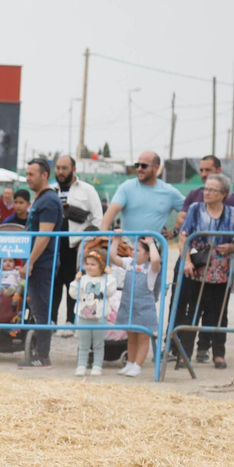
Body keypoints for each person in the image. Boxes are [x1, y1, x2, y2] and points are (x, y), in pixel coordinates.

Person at [172, 175, 234, 369]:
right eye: (206, 189)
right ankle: (184, 355)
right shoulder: (195, 210)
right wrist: (186, 261)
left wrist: (231, 246)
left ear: (224, 194)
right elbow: (184, 237)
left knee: (219, 313)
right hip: (197, 268)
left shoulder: (233, 214)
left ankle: (218, 353)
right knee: (191, 312)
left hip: (221, 271)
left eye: (212, 190)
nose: (207, 193)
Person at [18, 158, 63, 369]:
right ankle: (39, 352)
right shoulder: (42, 199)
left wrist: (31, 262)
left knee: (42, 309)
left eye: (31, 174)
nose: (28, 178)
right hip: (39, 261)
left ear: (44, 175)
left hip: (43, 262)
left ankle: (43, 356)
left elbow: (44, 236)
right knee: (38, 307)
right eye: (26, 174)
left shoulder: (49, 201)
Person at [53, 153, 103, 327]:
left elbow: (98, 220)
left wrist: (87, 242)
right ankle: (51, 321)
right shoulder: (51, 191)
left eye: (64, 168)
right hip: (54, 246)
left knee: (75, 283)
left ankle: (70, 322)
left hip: (77, 247)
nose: (60, 171)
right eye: (58, 168)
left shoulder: (87, 190)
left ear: (73, 169)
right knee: (54, 283)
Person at [100, 151, 185, 239]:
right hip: (128, 250)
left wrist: (175, 232)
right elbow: (111, 212)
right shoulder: (126, 187)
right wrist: (102, 238)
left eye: (144, 166)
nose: (139, 169)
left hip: (154, 251)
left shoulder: (169, 192)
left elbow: (189, 213)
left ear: (156, 168)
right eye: (137, 165)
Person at [112, 236, 160, 376]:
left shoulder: (152, 268)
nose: (133, 252)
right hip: (128, 306)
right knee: (131, 336)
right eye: (133, 249)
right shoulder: (128, 263)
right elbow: (113, 257)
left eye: (137, 250)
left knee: (143, 337)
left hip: (144, 308)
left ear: (147, 254)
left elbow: (156, 260)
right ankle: (130, 363)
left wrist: (151, 242)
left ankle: (138, 365)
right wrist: (116, 239)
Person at [68, 249, 116, 376]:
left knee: (98, 344)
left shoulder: (105, 280)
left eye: (93, 264)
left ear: (102, 266)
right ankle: (81, 366)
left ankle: (97, 366)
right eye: (87, 264)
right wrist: (75, 281)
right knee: (83, 344)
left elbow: (111, 291)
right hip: (83, 316)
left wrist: (110, 276)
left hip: (99, 318)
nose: (89, 267)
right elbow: (73, 294)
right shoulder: (83, 279)